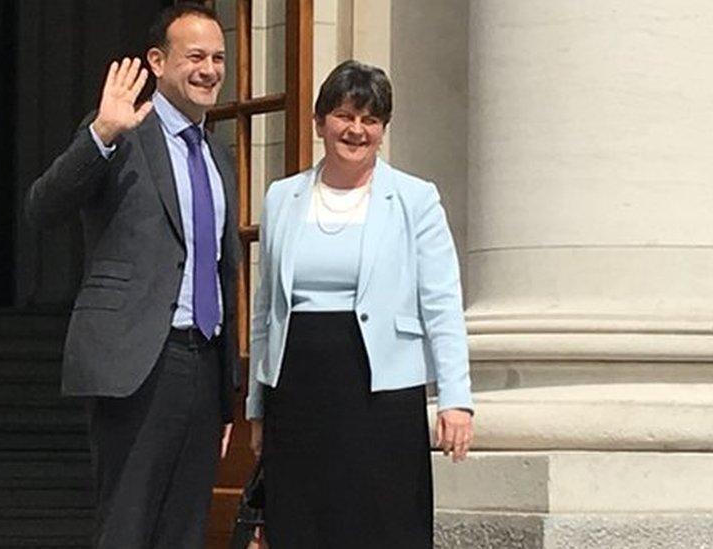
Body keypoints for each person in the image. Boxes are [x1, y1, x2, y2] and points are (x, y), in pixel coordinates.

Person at [24, 4, 240, 548]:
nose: (209, 69)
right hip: (140, 360)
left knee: (185, 529)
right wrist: (100, 133)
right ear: (157, 62)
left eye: (218, 57)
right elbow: (42, 209)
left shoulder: (217, 152)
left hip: (204, 361)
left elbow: (222, 267)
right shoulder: (124, 132)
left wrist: (227, 392)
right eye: (195, 56)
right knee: (127, 523)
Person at [246, 60, 474, 548]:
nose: (356, 130)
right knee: (303, 524)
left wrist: (457, 398)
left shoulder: (415, 199)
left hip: (382, 392)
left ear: (383, 130)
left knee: (380, 525)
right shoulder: (282, 196)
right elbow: (265, 309)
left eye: (371, 120)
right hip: (298, 388)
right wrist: (257, 406)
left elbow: (441, 302)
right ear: (319, 122)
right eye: (345, 115)